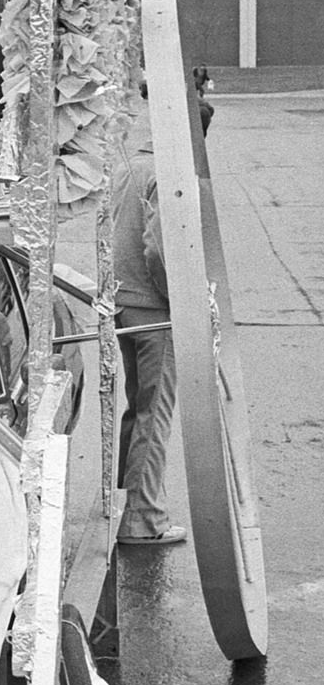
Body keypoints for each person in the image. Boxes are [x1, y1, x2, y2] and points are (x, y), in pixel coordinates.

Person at [113, 84, 214, 546]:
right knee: (155, 416)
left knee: (138, 409)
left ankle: (122, 504)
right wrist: (183, 301)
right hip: (155, 310)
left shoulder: (130, 166)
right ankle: (143, 518)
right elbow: (159, 250)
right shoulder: (168, 174)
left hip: (123, 303)